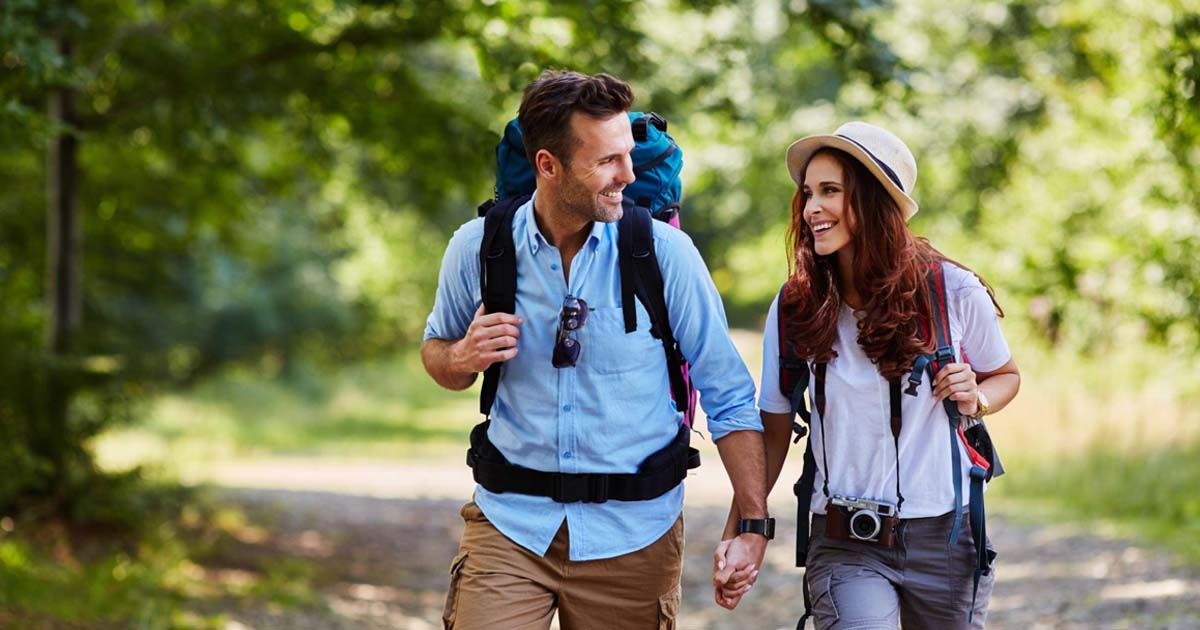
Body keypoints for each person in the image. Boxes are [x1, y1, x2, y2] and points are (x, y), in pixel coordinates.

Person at [422, 70, 771, 630]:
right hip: (511, 525)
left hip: (635, 536)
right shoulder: (479, 247)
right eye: (607, 161)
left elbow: (729, 394)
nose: (627, 176)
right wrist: (461, 357)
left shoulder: (664, 254)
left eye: (629, 157)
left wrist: (752, 526)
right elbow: (435, 351)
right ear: (547, 165)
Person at [714, 121, 1021, 628]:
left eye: (830, 191)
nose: (812, 208)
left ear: (875, 200)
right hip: (843, 542)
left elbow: (1005, 376)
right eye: (808, 193)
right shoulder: (796, 306)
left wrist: (978, 397)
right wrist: (746, 529)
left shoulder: (952, 291)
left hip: (947, 540)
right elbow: (771, 429)